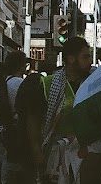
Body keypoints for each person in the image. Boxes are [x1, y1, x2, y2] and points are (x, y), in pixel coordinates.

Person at [22, 37, 92, 183]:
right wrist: (36, 150)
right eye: (85, 57)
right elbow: (33, 119)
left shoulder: (92, 85)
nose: (90, 61)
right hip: (54, 155)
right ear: (71, 59)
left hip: (84, 155)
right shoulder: (47, 84)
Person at [0, 51, 27, 184]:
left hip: (6, 131)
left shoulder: (6, 82)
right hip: (18, 131)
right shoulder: (20, 83)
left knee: (7, 165)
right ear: (21, 65)